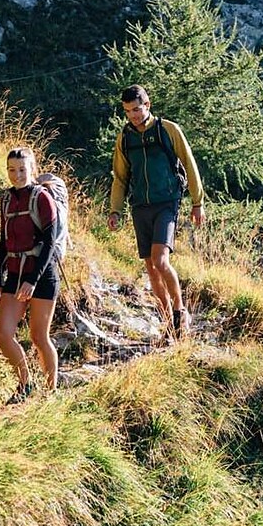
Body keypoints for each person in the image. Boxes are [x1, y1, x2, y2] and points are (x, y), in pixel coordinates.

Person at [106, 85, 205, 341]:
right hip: (139, 206)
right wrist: (115, 210)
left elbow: (189, 163)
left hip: (167, 203)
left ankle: (179, 311)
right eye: (128, 111)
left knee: (161, 260)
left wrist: (198, 202)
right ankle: (168, 324)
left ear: (147, 105)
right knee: (151, 268)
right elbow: (120, 177)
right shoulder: (125, 138)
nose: (134, 116)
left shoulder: (168, 130)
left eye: (137, 109)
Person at [0, 146, 63, 401]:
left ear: (32, 169)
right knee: (2, 333)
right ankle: (26, 385)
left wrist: (32, 280)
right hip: (13, 275)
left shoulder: (42, 198)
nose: (17, 174)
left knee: (38, 336)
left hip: (42, 277)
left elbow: (49, 241)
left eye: (22, 169)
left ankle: (51, 392)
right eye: (12, 170)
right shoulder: (7, 199)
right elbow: (4, 241)